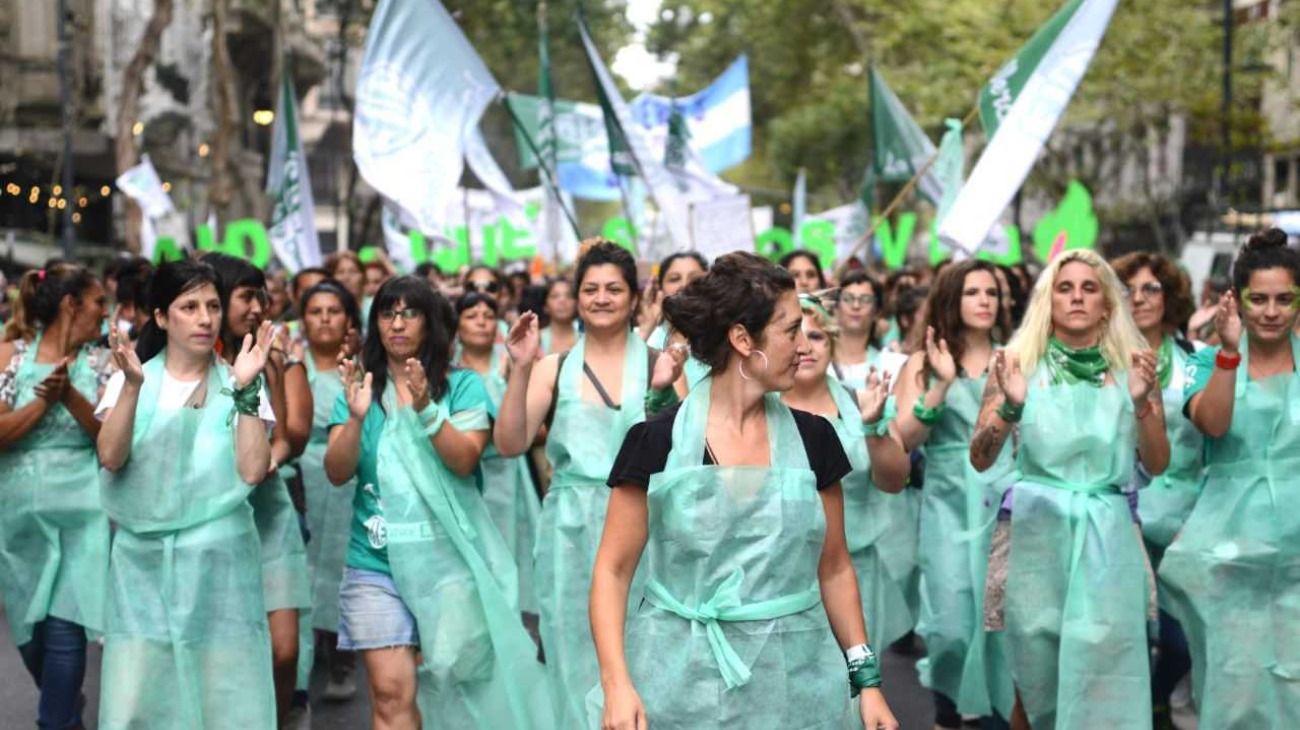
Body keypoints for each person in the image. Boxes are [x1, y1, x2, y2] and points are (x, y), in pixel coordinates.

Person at [591, 252, 899, 729]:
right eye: (790, 330)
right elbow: (612, 571)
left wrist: (868, 681)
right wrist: (616, 684)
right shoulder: (656, 443)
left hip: (797, 685)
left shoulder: (815, 440)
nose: (804, 345)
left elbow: (835, 568)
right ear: (742, 339)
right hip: (677, 684)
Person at [324, 275, 550, 728]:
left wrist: (427, 408)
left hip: (448, 566)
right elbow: (337, 471)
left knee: (452, 688)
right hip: (375, 564)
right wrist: (355, 418)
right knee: (391, 695)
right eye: (387, 313)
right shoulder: (360, 388)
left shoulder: (462, 385)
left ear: (430, 323)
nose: (397, 323)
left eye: (410, 313)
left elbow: (464, 460)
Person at [969, 249, 1168, 730]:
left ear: (1107, 305)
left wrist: (1141, 404)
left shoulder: (1135, 369)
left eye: (1089, 287)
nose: (1076, 297)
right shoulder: (1016, 366)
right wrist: (1010, 407)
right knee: (1033, 679)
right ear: (1047, 301)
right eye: (1065, 287)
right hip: (1034, 538)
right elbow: (980, 457)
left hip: (1108, 538)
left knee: (1105, 667)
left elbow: (1158, 463)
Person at [493, 240, 681, 727]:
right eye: (591, 289)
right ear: (576, 298)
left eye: (613, 289)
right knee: (573, 659)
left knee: (647, 658)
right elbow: (511, 442)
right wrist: (520, 366)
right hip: (570, 535)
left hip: (648, 531)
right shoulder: (553, 368)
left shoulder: (663, 364)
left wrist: (663, 395)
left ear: (634, 297)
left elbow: (689, 456)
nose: (601, 298)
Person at [96, 260, 278, 727]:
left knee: (223, 699)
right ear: (161, 317)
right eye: (189, 306)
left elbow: (254, 470)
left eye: (213, 306)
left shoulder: (240, 378)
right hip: (142, 568)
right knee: (140, 699)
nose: (204, 318)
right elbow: (111, 457)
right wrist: (133, 388)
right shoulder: (130, 377)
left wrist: (245, 388)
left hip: (221, 569)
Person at [1158, 229, 1300, 729]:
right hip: (1230, 555)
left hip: (1297, 557)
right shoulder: (1204, 362)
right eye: (1258, 299)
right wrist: (1229, 353)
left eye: (1285, 299)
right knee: (1237, 690)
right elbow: (1214, 423)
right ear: (1235, 302)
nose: (1271, 311)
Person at [892, 260, 1015, 725]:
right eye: (972, 292)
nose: (985, 301)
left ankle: (990, 717)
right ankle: (948, 711)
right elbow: (903, 439)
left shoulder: (1016, 358)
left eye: (991, 292)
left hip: (1006, 504)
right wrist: (940, 386)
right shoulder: (924, 363)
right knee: (948, 626)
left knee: (999, 625)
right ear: (950, 299)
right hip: (946, 501)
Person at [0, 264, 110, 730]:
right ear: (71, 304)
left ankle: (54, 722)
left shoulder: (104, 362)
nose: (105, 314)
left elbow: (112, 441)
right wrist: (44, 400)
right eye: (98, 302)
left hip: (82, 516)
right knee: (31, 638)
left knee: (66, 629)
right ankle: (66, 712)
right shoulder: (9, 356)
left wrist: (71, 399)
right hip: (18, 520)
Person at [205, 253, 312, 724]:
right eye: (246, 296)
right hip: (214, 517)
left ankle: (280, 719)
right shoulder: (195, 363)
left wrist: (270, 460)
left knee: (284, 650)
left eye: (260, 297)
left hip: (269, 513)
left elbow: (286, 435)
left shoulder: (267, 359)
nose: (257, 306)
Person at [781, 294, 918, 657]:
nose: (806, 347)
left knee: (856, 694)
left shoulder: (862, 403)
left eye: (817, 337)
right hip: (783, 572)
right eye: (795, 334)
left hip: (854, 573)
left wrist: (873, 428)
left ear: (832, 343)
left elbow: (893, 481)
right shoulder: (761, 408)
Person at [1109, 251, 1203, 725]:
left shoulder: (1197, 361)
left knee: (1183, 637)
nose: (1140, 299)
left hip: (1189, 519)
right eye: (1128, 289)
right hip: (1122, 516)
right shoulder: (1100, 362)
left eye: (1152, 288)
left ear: (1171, 296)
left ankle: (1160, 698)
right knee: (1126, 631)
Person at [295, 280, 364, 702]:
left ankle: (342, 658)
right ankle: (300, 666)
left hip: (346, 470)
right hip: (300, 472)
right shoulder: (290, 363)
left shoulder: (359, 368)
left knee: (342, 563)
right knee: (302, 565)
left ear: (349, 320)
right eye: (315, 311)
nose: (324, 319)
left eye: (333, 310)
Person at [455, 289, 542, 620]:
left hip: (507, 473)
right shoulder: (449, 369)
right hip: (464, 472)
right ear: (457, 324)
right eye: (471, 315)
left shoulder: (511, 363)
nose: (481, 322)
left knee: (511, 545)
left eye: (488, 316)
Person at [640, 252, 710, 388]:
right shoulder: (644, 339)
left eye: (694, 278)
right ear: (659, 290)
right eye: (674, 279)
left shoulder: (726, 339)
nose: (684, 285)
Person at [833, 270, 908, 389]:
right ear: (836, 308)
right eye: (848, 299)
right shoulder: (817, 363)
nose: (856, 306)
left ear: (877, 311)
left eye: (865, 300)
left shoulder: (894, 365)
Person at [540, 277, 579, 355]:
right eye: (555, 296)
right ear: (545, 306)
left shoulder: (588, 338)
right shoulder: (537, 340)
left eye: (569, 296)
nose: (562, 300)